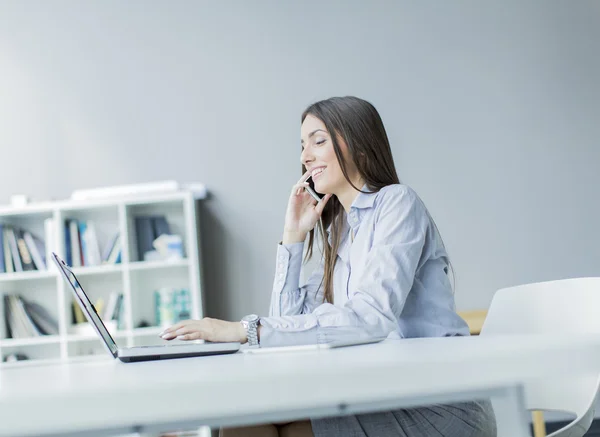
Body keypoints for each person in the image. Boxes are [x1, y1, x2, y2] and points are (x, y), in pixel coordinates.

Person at [160, 96, 497, 437]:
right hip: (386, 394)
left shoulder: (397, 203)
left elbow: (371, 317)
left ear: (359, 146)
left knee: (275, 427)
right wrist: (292, 236)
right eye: (302, 145)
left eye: (318, 141)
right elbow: (289, 327)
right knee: (245, 419)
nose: (305, 156)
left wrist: (244, 330)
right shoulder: (343, 234)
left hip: (440, 404)